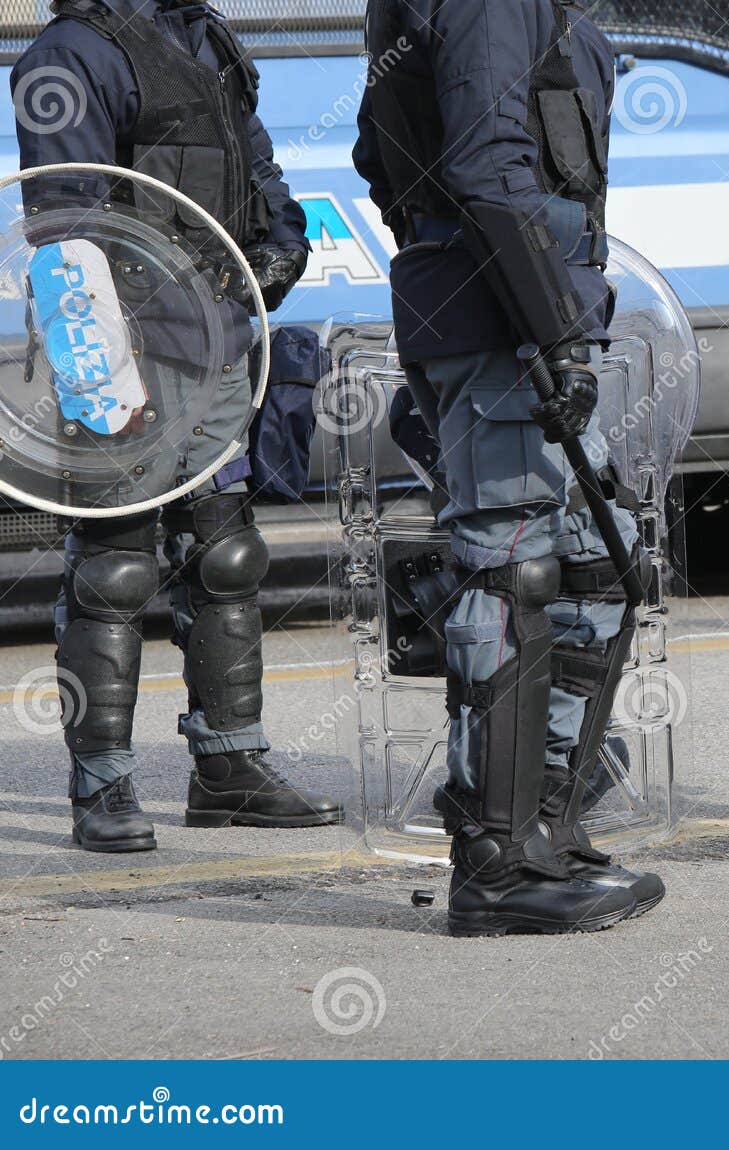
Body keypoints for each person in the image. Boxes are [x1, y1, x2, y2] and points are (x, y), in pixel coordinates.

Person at [354, 0, 665, 935]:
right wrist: (552, 330)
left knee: (595, 570)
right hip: (507, 327)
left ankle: (545, 828)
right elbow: (484, 170)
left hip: (518, 316)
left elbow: (386, 161)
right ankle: (495, 864)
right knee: (512, 570)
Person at [11, 0, 338, 853]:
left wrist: (279, 248)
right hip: (123, 351)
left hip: (218, 340)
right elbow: (65, 231)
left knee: (227, 557)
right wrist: (102, 375)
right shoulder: (72, 53)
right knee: (116, 570)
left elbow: (259, 177)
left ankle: (229, 771)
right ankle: (103, 786)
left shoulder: (203, 36)